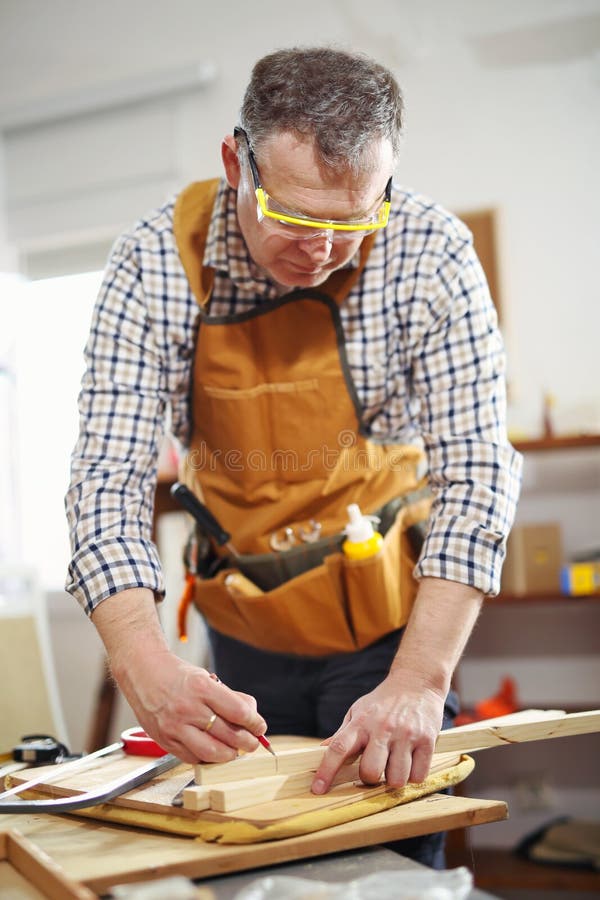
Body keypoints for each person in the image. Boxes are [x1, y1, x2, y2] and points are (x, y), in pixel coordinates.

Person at [65, 46, 522, 867]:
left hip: (390, 635)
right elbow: (107, 481)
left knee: (389, 872)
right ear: (236, 163)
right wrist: (144, 664)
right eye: (296, 218)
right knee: (243, 864)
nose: (322, 250)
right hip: (240, 640)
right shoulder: (154, 263)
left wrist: (418, 685)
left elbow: (479, 474)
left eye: (352, 223)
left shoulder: (430, 252)